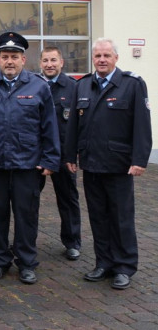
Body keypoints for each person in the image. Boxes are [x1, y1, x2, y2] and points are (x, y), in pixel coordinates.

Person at [0, 32, 60, 285]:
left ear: (23, 59)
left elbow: (49, 126)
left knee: (26, 215)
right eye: (5, 56)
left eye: (14, 57)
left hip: (27, 164)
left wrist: (50, 160)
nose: (10, 61)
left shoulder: (38, 86)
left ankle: (27, 263)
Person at [64, 38, 152, 290]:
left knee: (121, 217)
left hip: (119, 164)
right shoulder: (82, 86)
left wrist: (139, 160)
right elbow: (73, 126)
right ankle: (103, 263)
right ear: (93, 59)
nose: (102, 59)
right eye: (98, 56)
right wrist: (70, 156)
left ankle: (124, 266)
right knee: (98, 217)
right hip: (91, 164)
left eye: (106, 55)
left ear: (116, 58)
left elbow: (142, 126)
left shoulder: (132, 84)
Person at [39, 46, 82, 261]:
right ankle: (25, 241)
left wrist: (74, 154)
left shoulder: (73, 88)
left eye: (53, 60)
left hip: (64, 156)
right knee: (27, 201)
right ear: (40, 64)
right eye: (45, 60)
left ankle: (72, 242)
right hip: (37, 155)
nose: (49, 64)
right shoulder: (35, 86)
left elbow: (80, 125)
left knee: (67, 199)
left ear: (61, 62)